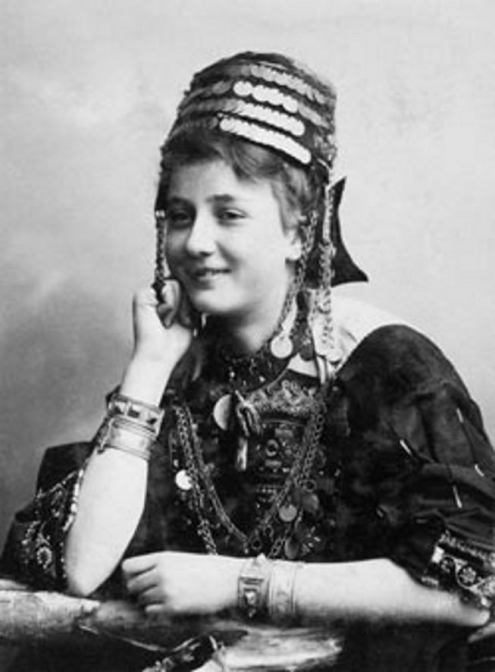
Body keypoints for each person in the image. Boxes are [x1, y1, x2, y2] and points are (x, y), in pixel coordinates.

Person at [2, 51, 495, 672]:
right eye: (179, 216)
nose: (196, 242)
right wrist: (149, 369)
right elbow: (82, 568)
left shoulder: (384, 364)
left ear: (299, 231)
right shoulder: (178, 371)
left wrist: (242, 583)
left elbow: (471, 592)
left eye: (228, 214)